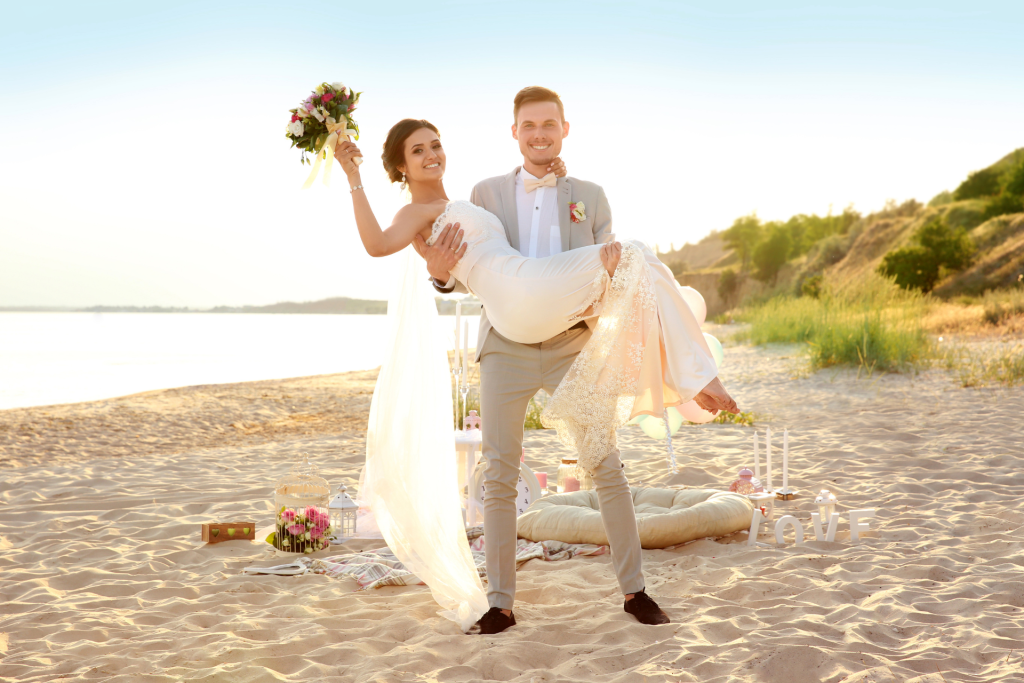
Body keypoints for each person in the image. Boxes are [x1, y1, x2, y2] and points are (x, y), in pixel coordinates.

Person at [335, 87, 738, 635]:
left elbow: (594, 275)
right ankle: (500, 603)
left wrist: (602, 252)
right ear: (515, 132)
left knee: (605, 463)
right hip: (510, 333)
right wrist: (428, 260)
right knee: (498, 472)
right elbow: (429, 267)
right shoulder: (483, 193)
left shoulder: (586, 196)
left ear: (563, 129)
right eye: (418, 151)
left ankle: (636, 592)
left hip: (568, 336)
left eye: (435, 145)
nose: (431, 155)